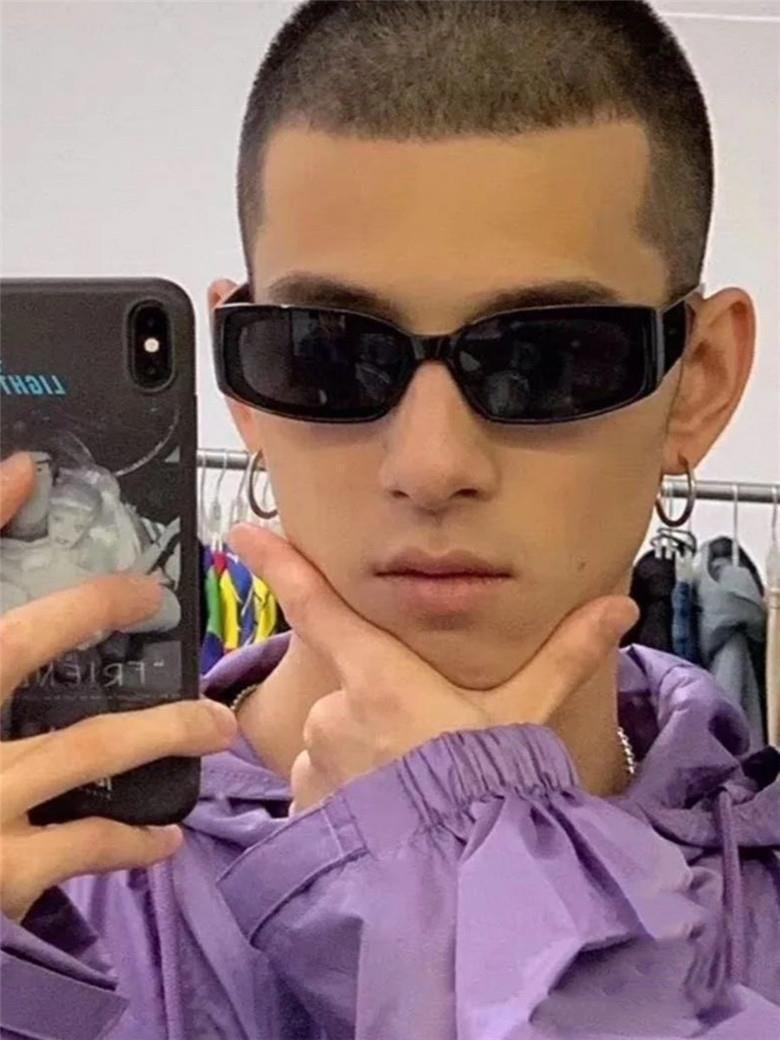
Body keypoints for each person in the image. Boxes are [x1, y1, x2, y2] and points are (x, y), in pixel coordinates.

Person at [1, 2, 779, 1037]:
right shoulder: (48, 871)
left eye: (545, 358)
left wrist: (484, 922)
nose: (432, 466)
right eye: (328, 353)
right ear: (242, 386)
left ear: (700, 382)